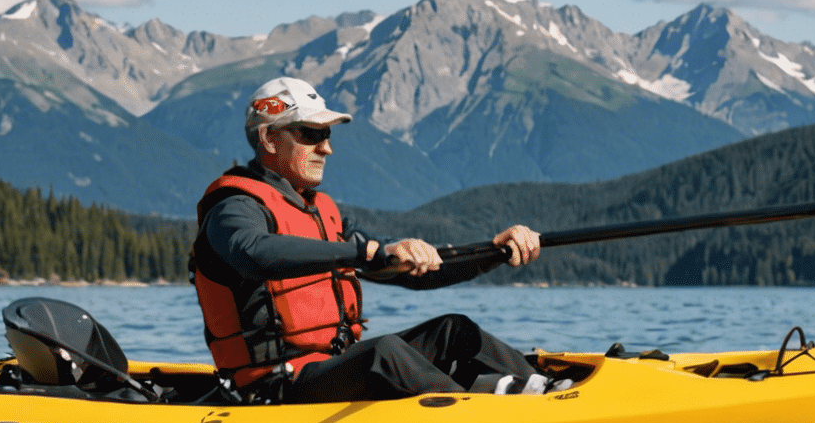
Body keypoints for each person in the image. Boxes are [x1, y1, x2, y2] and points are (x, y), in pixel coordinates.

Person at [192, 76, 550, 403]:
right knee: (385, 352)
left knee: (452, 331)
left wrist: (495, 252)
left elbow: (414, 272)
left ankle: (545, 390)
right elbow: (251, 253)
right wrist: (366, 253)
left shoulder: (323, 214)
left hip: (333, 368)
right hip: (273, 387)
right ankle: (483, 415)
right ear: (270, 138)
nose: (326, 148)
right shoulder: (234, 207)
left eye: (328, 135)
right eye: (312, 134)